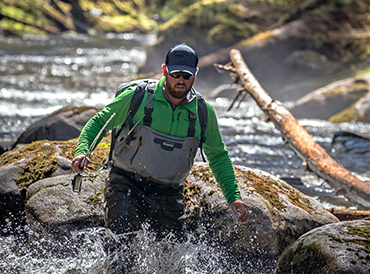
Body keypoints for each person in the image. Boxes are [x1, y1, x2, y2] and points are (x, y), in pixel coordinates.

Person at [72, 43, 251, 238]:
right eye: (176, 74)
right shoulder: (137, 97)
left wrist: (234, 198)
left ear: (195, 74)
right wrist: (83, 152)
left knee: (170, 257)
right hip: (126, 184)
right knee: (122, 248)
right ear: (165, 71)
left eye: (187, 75)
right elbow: (98, 122)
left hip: (169, 193)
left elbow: (218, 156)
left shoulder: (203, 112)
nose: (181, 80)